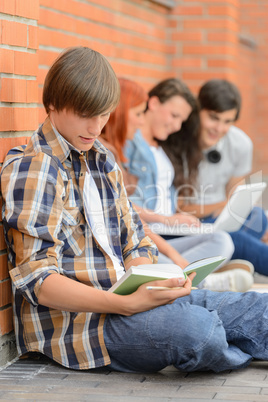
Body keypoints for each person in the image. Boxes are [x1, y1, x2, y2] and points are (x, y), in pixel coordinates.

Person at [1, 46, 268, 374]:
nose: (96, 127)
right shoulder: (35, 168)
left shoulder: (101, 159)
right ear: (53, 103)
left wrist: (148, 280)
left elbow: (136, 239)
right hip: (83, 327)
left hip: (130, 300)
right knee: (201, 333)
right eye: (86, 114)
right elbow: (37, 279)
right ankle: (242, 340)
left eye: (104, 114)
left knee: (261, 310)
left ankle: (237, 335)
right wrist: (123, 303)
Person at [124, 78, 254, 291]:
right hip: (152, 232)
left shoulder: (162, 143)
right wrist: (169, 219)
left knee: (226, 238)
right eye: (174, 116)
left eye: (181, 121)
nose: (176, 126)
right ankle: (204, 280)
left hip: (170, 228)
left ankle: (188, 276)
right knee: (237, 238)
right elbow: (126, 208)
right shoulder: (131, 143)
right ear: (154, 104)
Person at [177, 79, 268, 276]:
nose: (219, 129)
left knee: (258, 217)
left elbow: (234, 195)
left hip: (218, 218)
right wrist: (223, 205)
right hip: (187, 223)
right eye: (213, 118)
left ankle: (221, 265)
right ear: (197, 111)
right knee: (238, 240)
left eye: (228, 121)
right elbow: (180, 207)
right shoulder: (178, 140)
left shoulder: (240, 143)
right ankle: (224, 263)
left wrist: (229, 208)